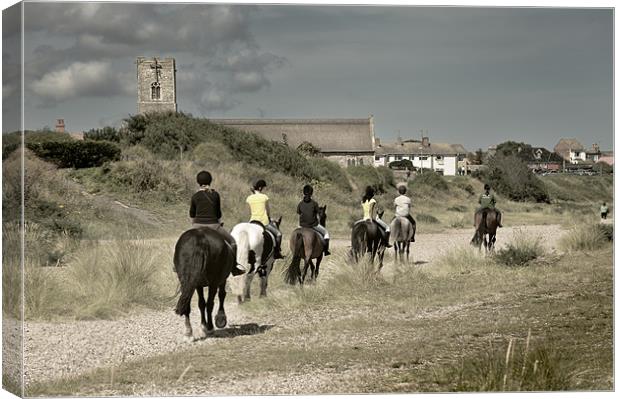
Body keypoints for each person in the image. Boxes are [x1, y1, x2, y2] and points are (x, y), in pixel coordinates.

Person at [189, 170, 245, 276]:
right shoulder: (215, 195)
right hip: (214, 226)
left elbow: (192, 215)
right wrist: (219, 222)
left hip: (197, 226)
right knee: (233, 242)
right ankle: (234, 268)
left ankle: (177, 264)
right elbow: (218, 214)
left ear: (198, 182)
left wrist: (194, 225)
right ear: (210, 181)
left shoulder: (195, 196)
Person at [246, 179, 283, 259]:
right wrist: (270, 218)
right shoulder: (264, 197)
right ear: (260, 188)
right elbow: (267, 211)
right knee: (279, 234)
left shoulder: (249, 198)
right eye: (263, 188)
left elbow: (249, 212)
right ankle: (277, 252)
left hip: (252, 222)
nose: (263, 189)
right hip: (264, 222)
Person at [296, 184, 330, 256]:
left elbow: (298, 213)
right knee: (326, 233)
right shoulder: (314, 203)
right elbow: (318, 213)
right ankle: (326, 251)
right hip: (313, 225)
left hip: (302, 225)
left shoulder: (300, 204)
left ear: (303, 192)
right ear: (311, 193)